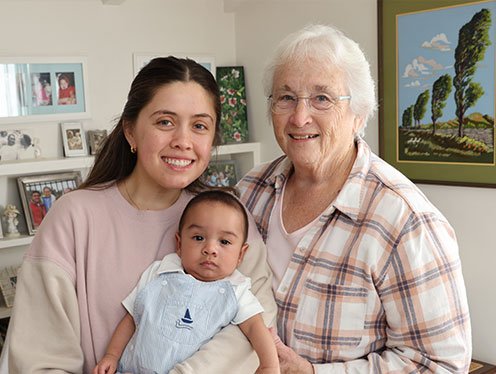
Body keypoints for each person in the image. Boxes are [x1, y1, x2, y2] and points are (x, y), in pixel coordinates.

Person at [6, 57, 276, 373]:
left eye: (199, 126)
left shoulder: (229, 220)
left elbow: (257, 324)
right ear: (131, 132)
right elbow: (38, 358)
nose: (183, 141)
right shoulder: (73, 217)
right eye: (165, 122)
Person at [237, 24, 471, 373]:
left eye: (322, 98)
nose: (300, 118)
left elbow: (441, 365)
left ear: (359, 114)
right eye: (286, 98)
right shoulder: (249, 193)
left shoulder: (406, 221)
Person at [94, 190, 279, 374]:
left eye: (224, 242)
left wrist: (269, 366)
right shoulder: (161, 272)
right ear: (180, 244)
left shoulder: (236, 291)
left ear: (241, 254)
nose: (210, 249)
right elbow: (132, 317)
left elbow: (257, 328)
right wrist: (111, 355)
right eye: (199, 238)